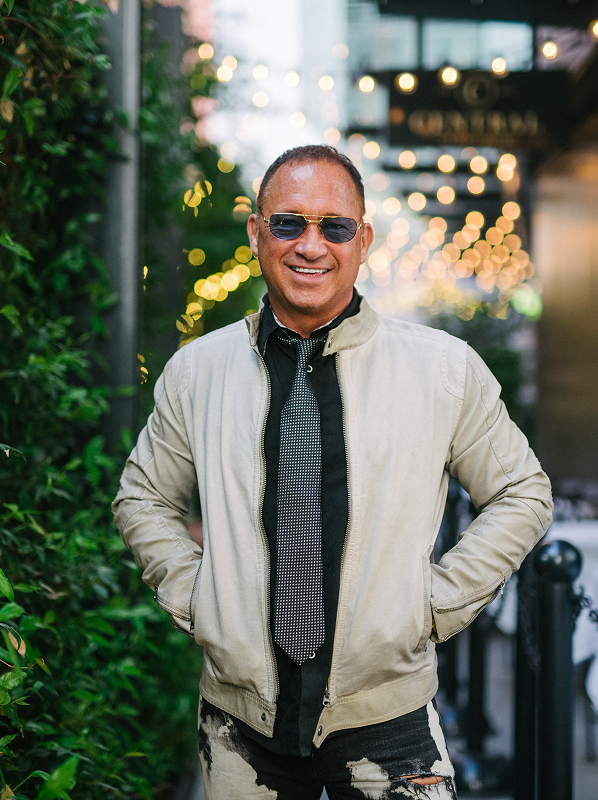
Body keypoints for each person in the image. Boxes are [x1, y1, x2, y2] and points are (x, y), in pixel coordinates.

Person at [112, 145, 553, 799]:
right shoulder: (198, 372)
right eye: (288, 222)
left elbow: (522, 490)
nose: (309, 246)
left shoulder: (441, 369)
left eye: (334, 226)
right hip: (240, 727)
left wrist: (434, 604)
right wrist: (196, 596)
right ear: (256, 232)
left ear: (363, 239)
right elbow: (141, 497)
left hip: (389, 724)